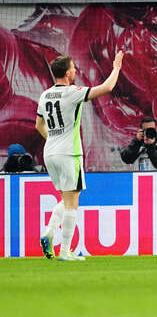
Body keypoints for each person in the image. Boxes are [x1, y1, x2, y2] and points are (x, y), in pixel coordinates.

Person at [36, 51, 124, 261]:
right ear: (67, 74)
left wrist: (53, 140)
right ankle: (65, 251)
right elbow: (107, 88)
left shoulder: (45, 95)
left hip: (50, 152)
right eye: (73, 68)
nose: (75, 71)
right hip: (69, 152)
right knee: (71, 203)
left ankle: (49, 231)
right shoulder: (72, 92)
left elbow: (38, 125)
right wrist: (117, 68)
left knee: (69, 197)